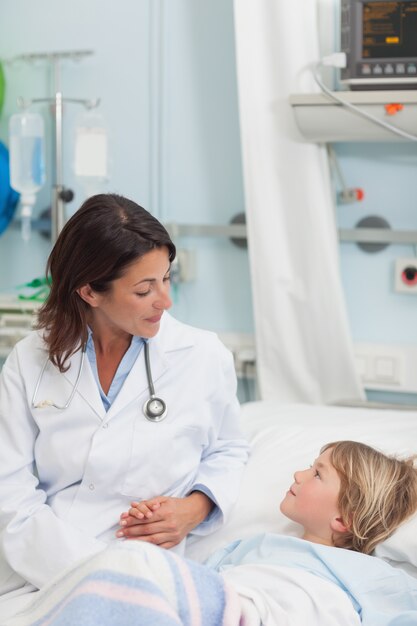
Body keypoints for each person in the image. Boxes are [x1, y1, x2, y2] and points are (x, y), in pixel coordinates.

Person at [0, 193, 249, 619]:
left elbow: (229, 450)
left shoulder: (202, 356)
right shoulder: (30, 359)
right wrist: (91, 570)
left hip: (153, 568)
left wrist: (193, 509)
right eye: (143, 289)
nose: (165, 301)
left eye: (166, 279)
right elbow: (8, 486)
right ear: (89, 291)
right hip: (44, 564)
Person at [3, 440, 417, 626]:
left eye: (317, 473)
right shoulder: (252, 546)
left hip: (258, 615)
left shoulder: (366, 574)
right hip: (220, 606)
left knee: (134, 563)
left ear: (342, 519)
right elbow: (202, 585)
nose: (298, 473)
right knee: (134, 567)